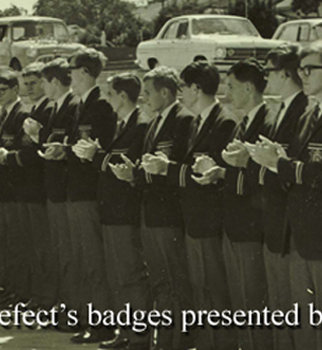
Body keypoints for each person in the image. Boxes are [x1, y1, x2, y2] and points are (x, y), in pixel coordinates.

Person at [250, 46, 322, 350]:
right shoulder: (308, 112)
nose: (301, 75)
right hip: (300, 234)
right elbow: (302, 166)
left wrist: (279, 164)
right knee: (304, 325)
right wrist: (277, 158)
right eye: (299, 69)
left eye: (309, 69)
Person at [142, 61, 237, 350]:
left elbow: (208, 174)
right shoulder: (198, 120)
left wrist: (167, 168)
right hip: (193, 219)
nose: (180, 93)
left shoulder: (224, 121)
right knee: (200, 290)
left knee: (215, 294)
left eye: (183, 87)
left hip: (209, 220)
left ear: (196, 88)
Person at [117, 66, 193, 350]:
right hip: (150, 212)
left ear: (165, 92)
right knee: (160, 281)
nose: (143, 99)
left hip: (169, 214)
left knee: (174, 282)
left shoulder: (184, 120)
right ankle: (164, 341)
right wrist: (132, 173)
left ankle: (178, 343)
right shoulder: (154, 121)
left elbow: (173, 167)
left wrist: (140, 174)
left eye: (148, 93)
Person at [75, 72, 149, 350]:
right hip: (112, 210)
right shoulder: (123, 123)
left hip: (124, 210)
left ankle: (138, 336)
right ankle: (127, 333)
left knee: (129, 274)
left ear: (122, 96)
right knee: (119, 275)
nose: (107, 100)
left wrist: (97, 155)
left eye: (109, 94)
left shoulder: (139, 125)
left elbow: (122, 161)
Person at [247, 43, 308, 350]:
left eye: (268, 71)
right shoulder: (283, 109)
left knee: (292, 309)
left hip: (290, 223)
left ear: (285, 73)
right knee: (280, 308)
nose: (264, 77)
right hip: (274, 220)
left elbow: (289, 162)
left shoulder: (302, 110)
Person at [63, 48, 117, 344]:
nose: (68, 75)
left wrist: (69, 151)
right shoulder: (81, 104)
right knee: (84, 259)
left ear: (84, 72)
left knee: (94, 261)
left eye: (72, 69)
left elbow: (96, 150)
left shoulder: (100, 106)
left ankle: (103, 324)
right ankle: (90, 319)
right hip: (76, 191)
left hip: (88, 193)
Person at [219, 58, 271, 350]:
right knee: (241, 302)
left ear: (249, 88)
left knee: (254, 304)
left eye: (231, 86)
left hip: (252, 227)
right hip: (236, 225)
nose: (227, 94)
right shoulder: (243, 124)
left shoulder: (267, 122)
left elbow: (264, 174)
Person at [35, 58, 80, 330]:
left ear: (54, 81)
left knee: (70, 255)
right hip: (55, 189)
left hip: (65, 190)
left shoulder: (72, 105)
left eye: (44, 81)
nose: (42, 87)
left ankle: (72, 311)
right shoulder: (57, 107)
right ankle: (65, 307)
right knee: (62, 253)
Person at [0, 70, 35, 307]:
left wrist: (5, 155)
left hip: (15, 188)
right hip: (0, 188)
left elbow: (23, 148)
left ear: (15, 90)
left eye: (2, 90)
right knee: (3, 242)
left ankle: (22, 291)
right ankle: (9, 287)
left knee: (17, 243)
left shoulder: (22, 113)